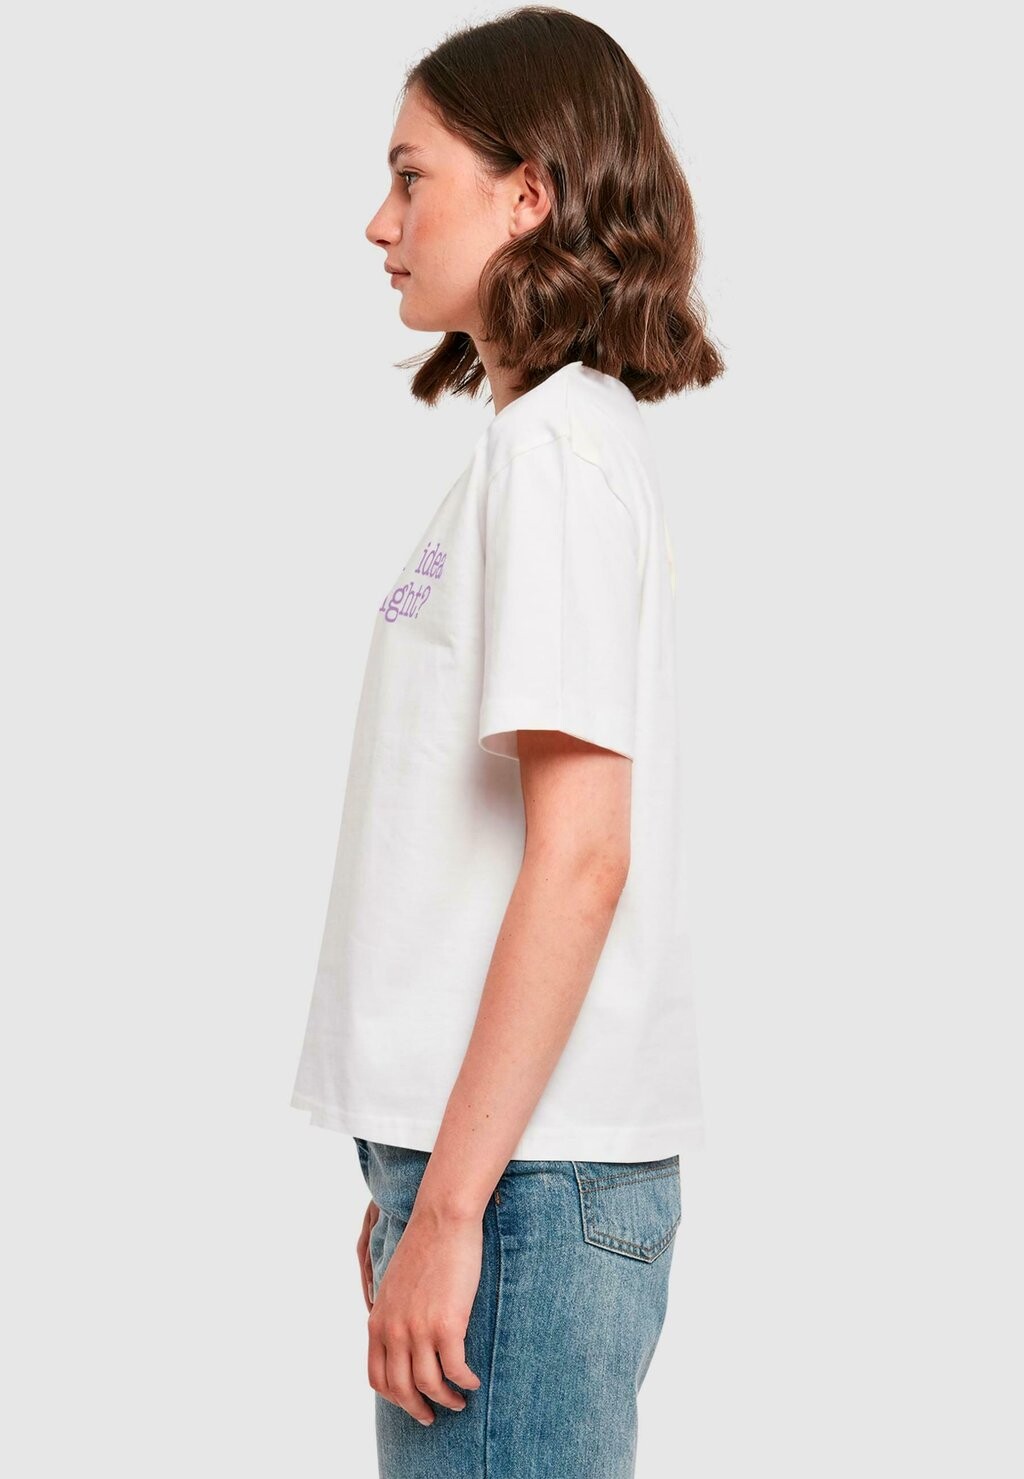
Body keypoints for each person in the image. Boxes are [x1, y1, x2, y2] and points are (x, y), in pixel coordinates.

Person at [289, 7, 724, 1475]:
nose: (380, 222)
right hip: (505, 1170)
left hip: (528, 1188)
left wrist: (457, 1202)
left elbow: (582, 857)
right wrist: (418, 1177)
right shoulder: (537, 451)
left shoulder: (557, 455)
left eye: (411, 176)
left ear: (528, 193)